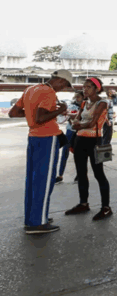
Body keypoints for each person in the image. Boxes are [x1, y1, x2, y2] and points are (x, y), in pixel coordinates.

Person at [9, 70, 73, 234]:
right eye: (65, 85)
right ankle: (38, 223)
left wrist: (33, 114)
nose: (64, 89)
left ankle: (32, 218)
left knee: (32, 179)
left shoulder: (31, 89)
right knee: (44, 181)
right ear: (59, 81)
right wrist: (61, 109)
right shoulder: (49, 92)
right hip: (47, 138)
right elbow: (40, 117)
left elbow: (13, 113)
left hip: (33, 138)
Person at [66, 76, 113, 221]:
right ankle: (83, 203)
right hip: (80, 140)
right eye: (83, 87)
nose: (84, 90)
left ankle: (106, 207)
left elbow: (92, 123)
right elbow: (77, 120)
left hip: (94, 141)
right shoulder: (84, 103)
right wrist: (75, 122)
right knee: (81, 173)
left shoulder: (103, 103)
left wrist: (77, 124)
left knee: (99, 174)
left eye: (88, 87)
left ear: (97, 88)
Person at [56, 90, 84, 184]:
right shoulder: (72, 106)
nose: (77, 98)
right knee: (65, 153)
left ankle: (79, 175)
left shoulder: (87, 107)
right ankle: (60, 175)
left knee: (79, 155)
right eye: (76, 96)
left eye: (79, 96)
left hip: (80, 132)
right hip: (70, 131)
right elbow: (67, 116)